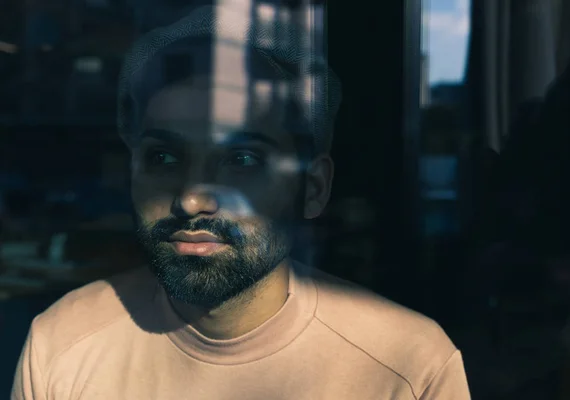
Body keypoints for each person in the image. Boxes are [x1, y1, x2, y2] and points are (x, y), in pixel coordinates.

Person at [11, 6, 470, 399]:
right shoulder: (62, 342)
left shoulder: (408, 367)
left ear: (313, 189)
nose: (191, 199)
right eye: (163, 156)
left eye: (242, 159)